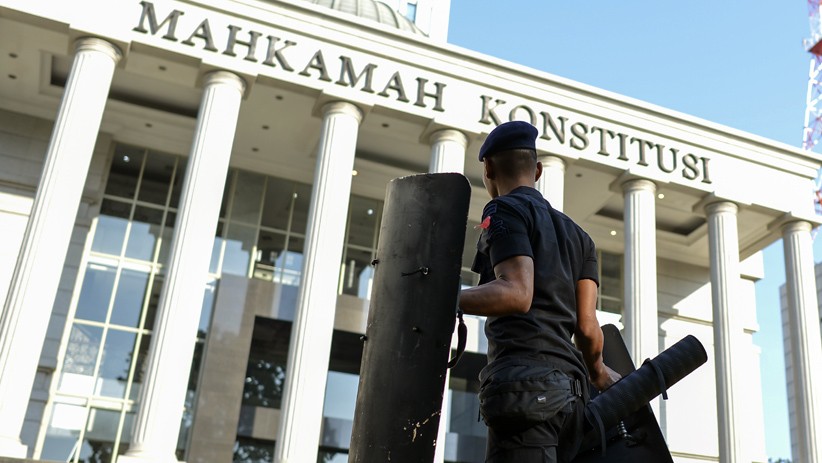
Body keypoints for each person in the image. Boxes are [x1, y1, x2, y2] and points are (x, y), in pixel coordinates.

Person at [459, 120, 620, 463]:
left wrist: (438, 297)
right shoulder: (580, 237)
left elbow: (516, 293)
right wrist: (599, 373)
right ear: (538, 170)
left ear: (488, 168)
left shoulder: (502, 210)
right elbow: (588, 328)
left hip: (525, 391)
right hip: (572, 403)